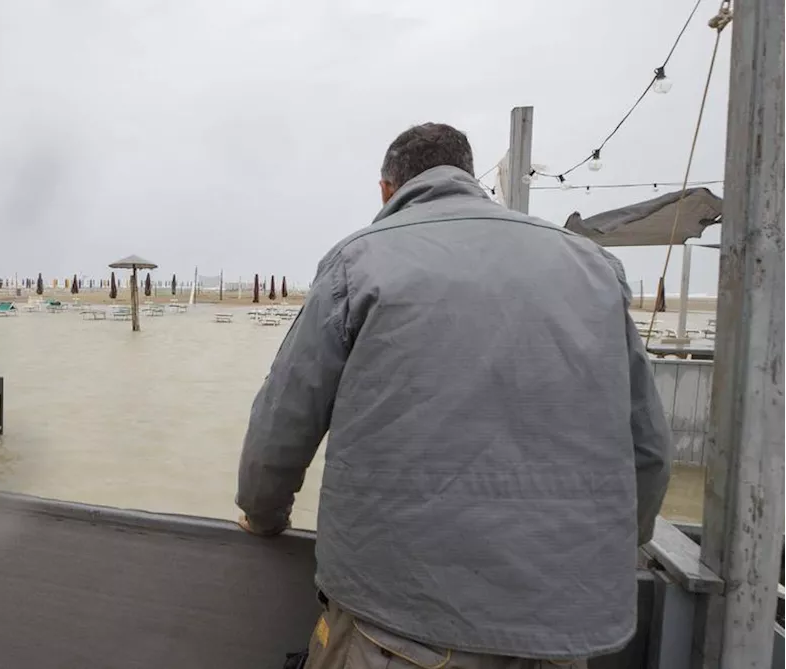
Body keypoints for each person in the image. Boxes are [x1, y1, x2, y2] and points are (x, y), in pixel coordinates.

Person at [236, 123, 671, 668]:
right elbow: (649, 450)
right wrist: (597, 559)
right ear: (470, 179)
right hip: (560, 633)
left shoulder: (360, 260)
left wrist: (265, 515)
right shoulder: (592, 266)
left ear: (386, 190)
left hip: (400, 625)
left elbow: (284, 422)